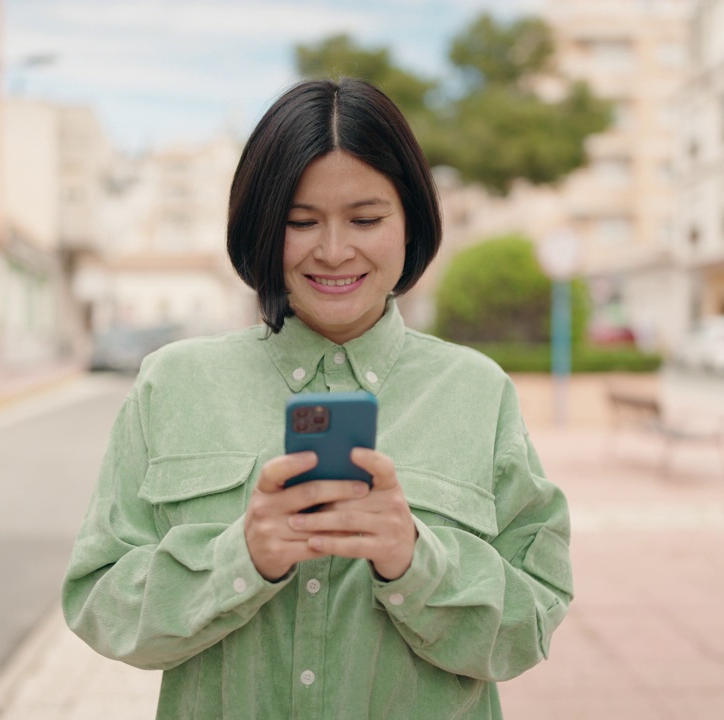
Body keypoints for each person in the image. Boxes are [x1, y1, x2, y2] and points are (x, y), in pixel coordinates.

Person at [61, 78, 572, 719]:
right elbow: (99, 602)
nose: (334, 251)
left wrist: (416, 563)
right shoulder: (173, 384)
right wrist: (239, 559)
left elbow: (534, 620)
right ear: (260, 227)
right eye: (301, 222)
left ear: (410, 221)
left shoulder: (477, 392)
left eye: (365, 218)